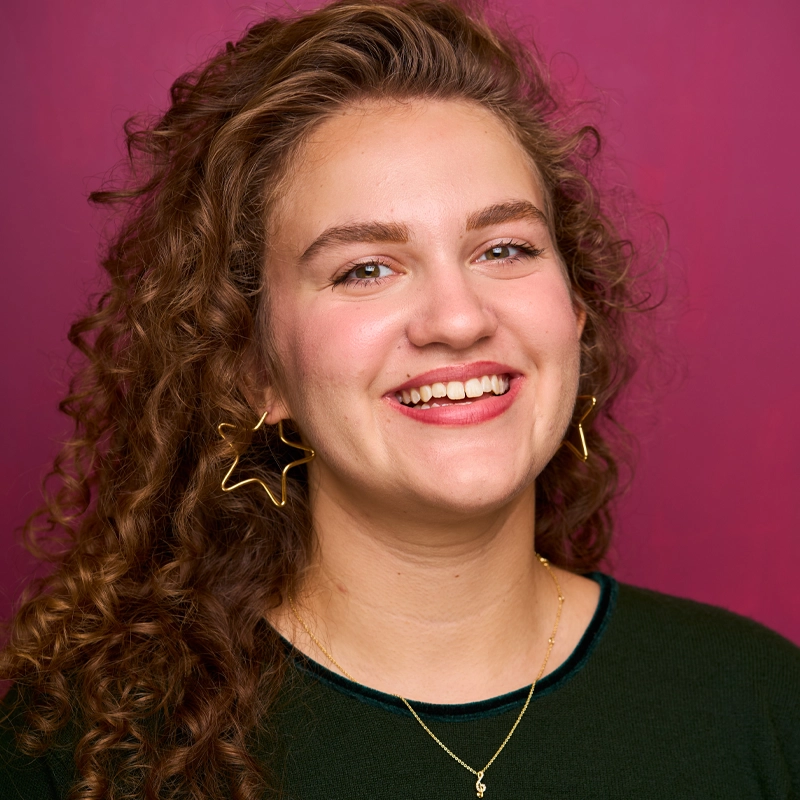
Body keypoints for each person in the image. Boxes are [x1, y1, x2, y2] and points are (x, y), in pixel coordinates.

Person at [1, 1, 798, 798]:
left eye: (505, 248)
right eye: (366, 268)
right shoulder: (76, 752)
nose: (458, 319)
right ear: (253, 371)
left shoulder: (763, 706)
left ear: (576, 316)